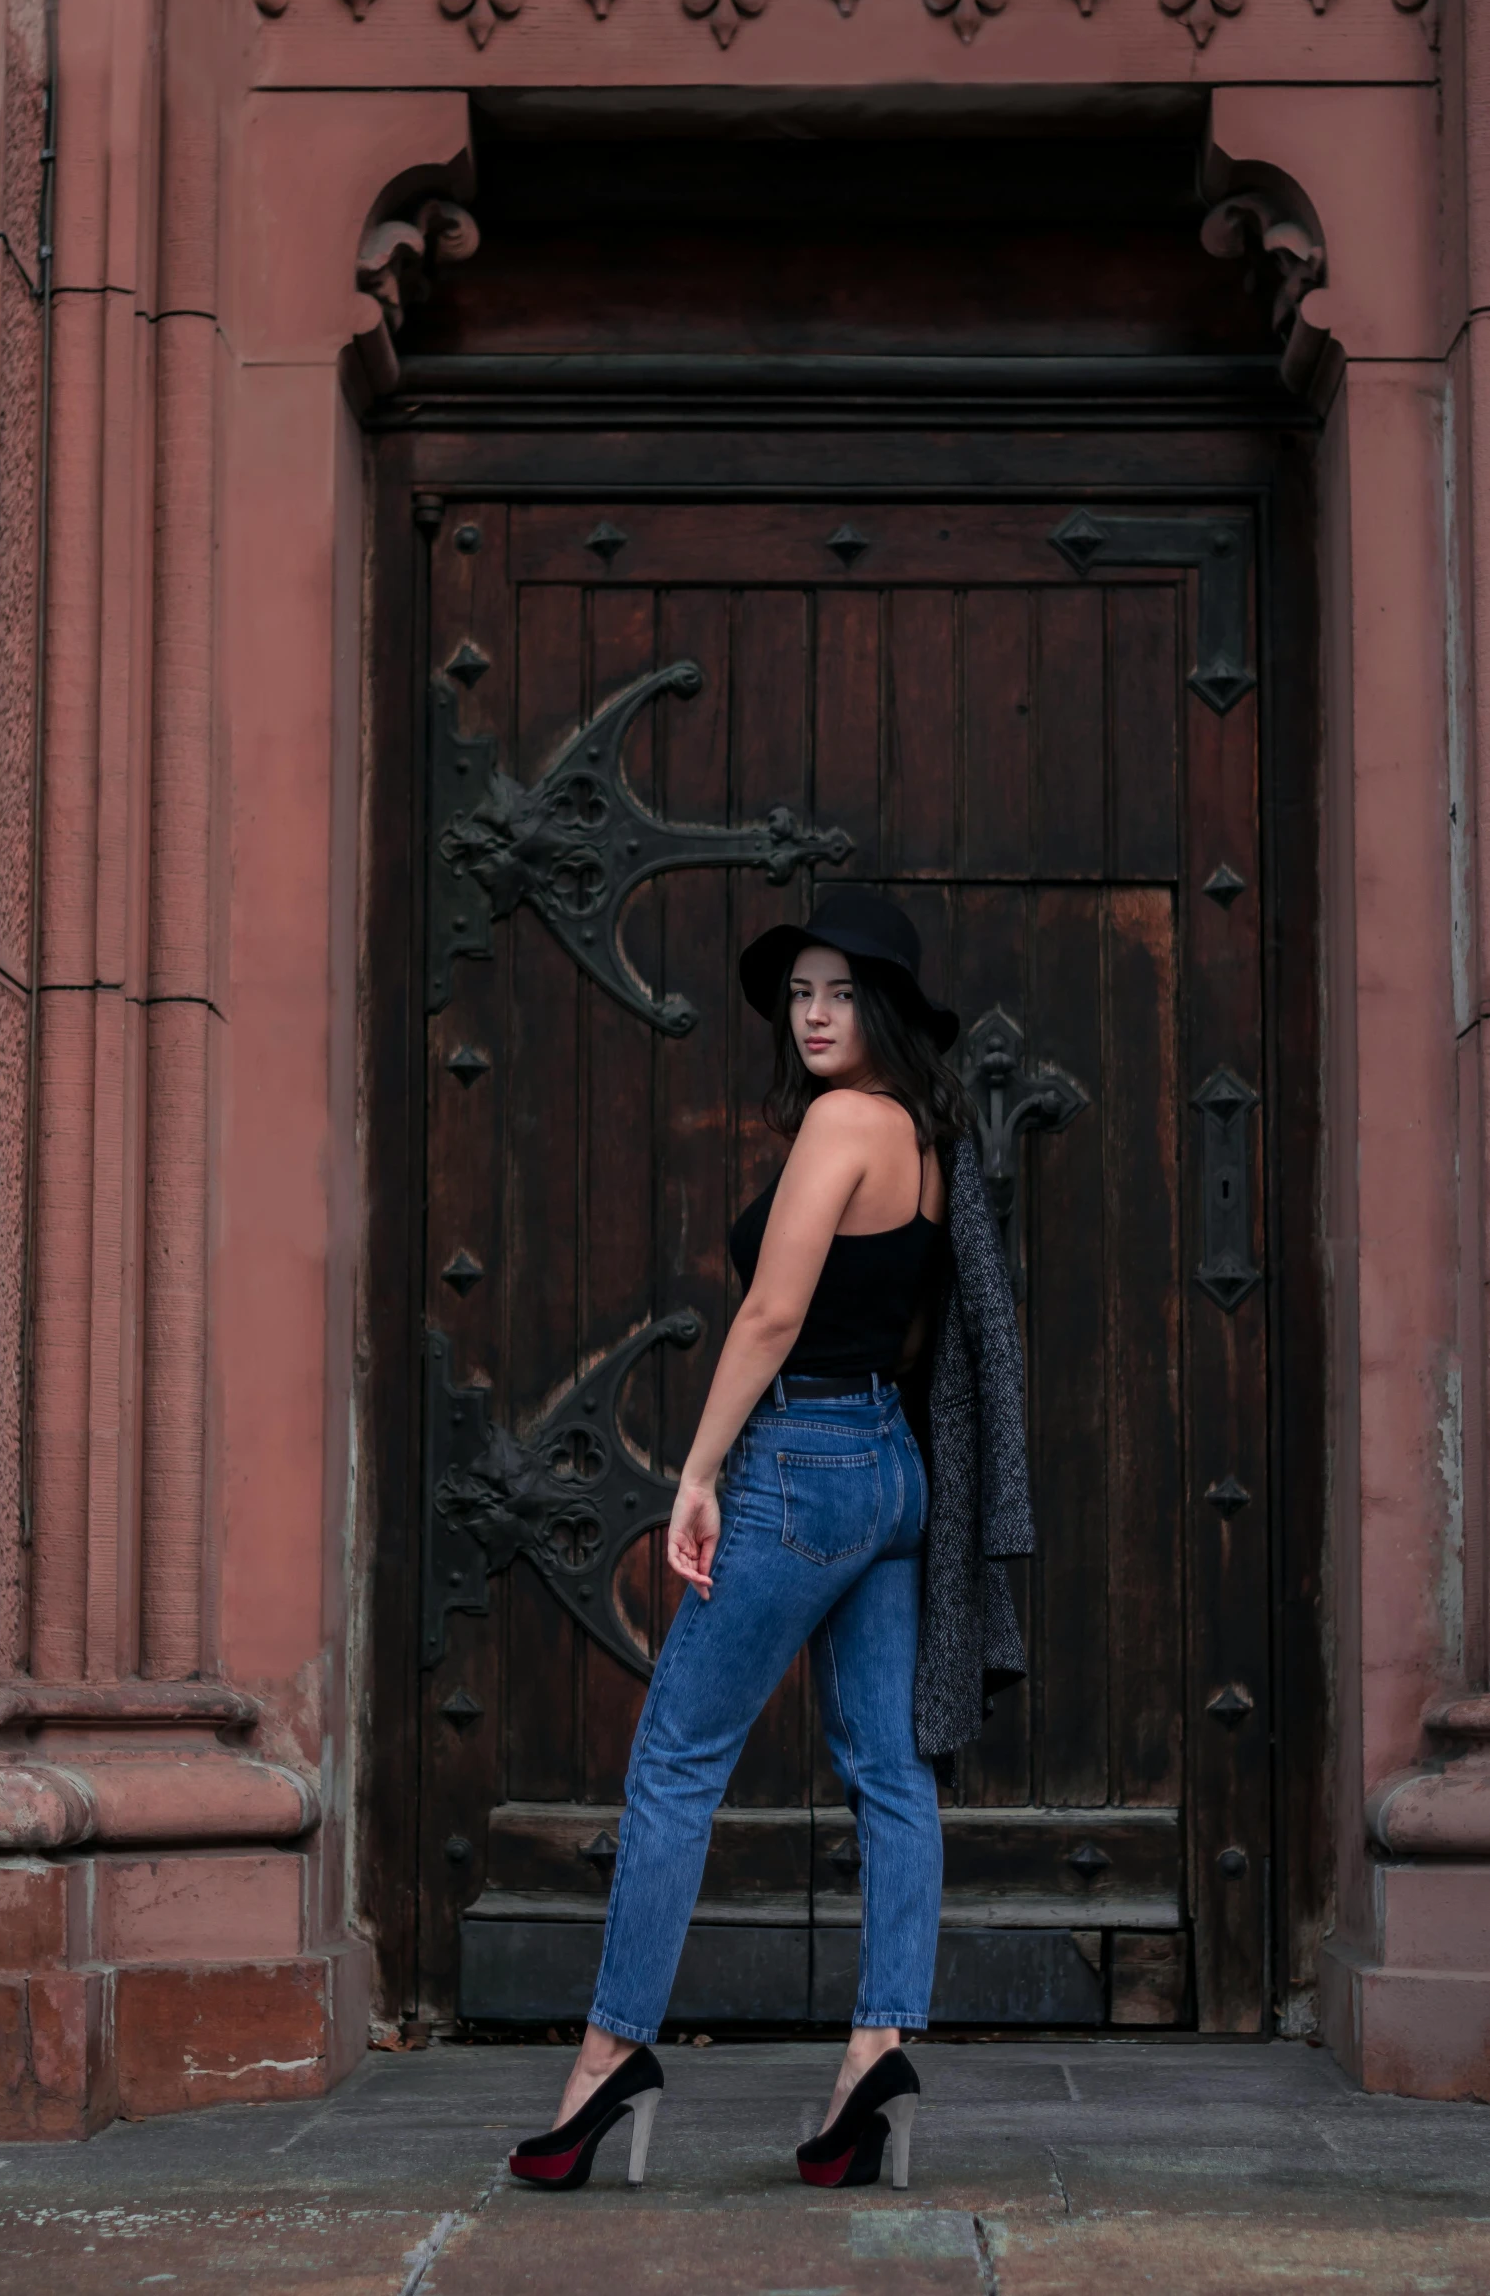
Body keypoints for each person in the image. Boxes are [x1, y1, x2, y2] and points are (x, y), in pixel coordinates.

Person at [508, 890, 1033, 2194]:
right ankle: (873, 2058)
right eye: (798, 992)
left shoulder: (845, 1124)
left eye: (840, 992)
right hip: (894, 1476)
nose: (811, 1013)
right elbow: (909, 1331)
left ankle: (604, 2064)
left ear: (887, 1008)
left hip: (802, 1464)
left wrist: (698, 1472)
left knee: (678, 1754)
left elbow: (768, 1315)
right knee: (890, 1768)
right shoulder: (922, 1136)